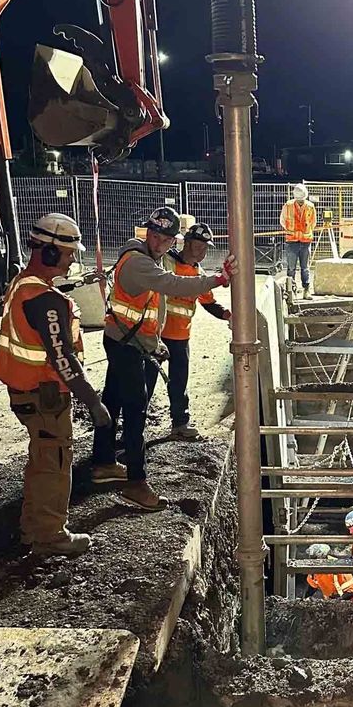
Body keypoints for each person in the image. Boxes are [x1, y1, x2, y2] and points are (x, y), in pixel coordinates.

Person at [92, 207, 235, 509]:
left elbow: (150, 307)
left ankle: (104, 462)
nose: (161, 242)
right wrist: (218, 278)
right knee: (135, 410)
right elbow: (173, 285)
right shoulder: (140, 262)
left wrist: (154, 342)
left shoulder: (146, 258)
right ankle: (136, 483)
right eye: (156, 236)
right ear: (149, 234)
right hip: (126, 346)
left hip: (128, 342)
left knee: (113, 400)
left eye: (166, 239)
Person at [0, 213, 111, 557]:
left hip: (25, 391)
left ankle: (34, 528)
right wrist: (92, 400)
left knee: (42, 459)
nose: (73, 259)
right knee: (54, 463)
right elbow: (63, 360)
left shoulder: (24, 284)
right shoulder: (46, 301)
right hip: (44, 396)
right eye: (68, 253)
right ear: (48, 253)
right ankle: (49, 535)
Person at [163, 221, 232, 441]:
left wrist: (229, 315)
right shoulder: (168, 262)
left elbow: (208, 302)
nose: (202, 251)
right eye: (198, 246)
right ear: (188, 243)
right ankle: (133, 427)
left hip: (181, 336)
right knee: (145, 382)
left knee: (179, 381)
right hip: (157, 333)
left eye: (205, 247)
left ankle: (180, 424)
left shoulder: (197, 271)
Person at [280, 183, 316, 298]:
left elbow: (313, 223)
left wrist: (305, 233)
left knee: (305, 268)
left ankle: (306, 290)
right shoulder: (288, 205)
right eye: (299, 200)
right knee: (291, 269)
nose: (300, 202)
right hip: (292, 241)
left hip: (305, 242)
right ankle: (292, 292)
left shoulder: (310, 206)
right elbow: (282, 220)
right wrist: (293, 231)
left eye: (302, 200)